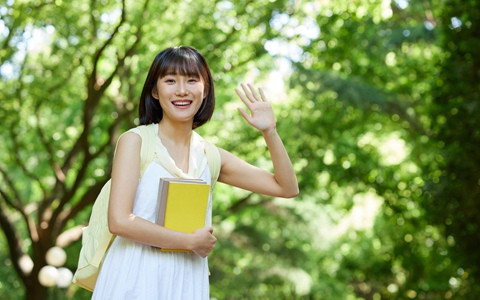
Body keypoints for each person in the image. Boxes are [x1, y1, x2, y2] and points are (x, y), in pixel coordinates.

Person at [91, 46, 299, 299]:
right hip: (134, 277)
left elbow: (286, 188)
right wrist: (189, 242)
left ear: (205, 89)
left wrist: (270, 132)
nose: (181, 90)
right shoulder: (135, 141)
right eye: (170, 80)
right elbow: (120, 221)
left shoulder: (210, 155)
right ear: (155, 91)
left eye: (192, 80)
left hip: (186, 281)